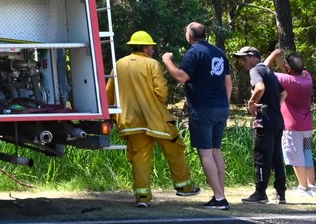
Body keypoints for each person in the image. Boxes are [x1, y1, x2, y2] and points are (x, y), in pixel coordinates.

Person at [112, 31, 199, 207]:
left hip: (130, 120)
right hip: (156, 119)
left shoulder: (119, 64)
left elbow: (109, 90)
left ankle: (142, 198)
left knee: (140, 157)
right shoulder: (152, 64)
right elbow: (161, 92)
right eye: (151, 47)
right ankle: (184, 187)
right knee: (175, 149)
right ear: (144, 48)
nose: (153, 50)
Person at [163, 22, 232, 209]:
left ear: (189, 36)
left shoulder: (194, 53)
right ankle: (221, 195)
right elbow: (228, 82)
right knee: (216, 151)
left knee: (206, 153)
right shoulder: (218, 52)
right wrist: (224, 103)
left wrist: (167, 60)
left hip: (203, 109)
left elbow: (181, 77)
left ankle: (219, 198)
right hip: (221, 108)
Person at [235, 46, 286, 204]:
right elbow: (284, 93)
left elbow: (260, 87)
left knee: (262, 156)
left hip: (264, 121)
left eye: (244, 58)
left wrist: (252, 103)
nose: (242, 62)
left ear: (253, 57)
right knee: (277, 157)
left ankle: (260, 193)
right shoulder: (268, 71)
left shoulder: (256, 70)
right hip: (277, 120)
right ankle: (281, 193)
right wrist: (273, 106)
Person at [268, 47, 316, 196]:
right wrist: (281, 60)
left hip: (292, 127)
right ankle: (312, 185)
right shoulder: (306, 77)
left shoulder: (288, 80)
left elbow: (263, 69)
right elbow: (289, 70)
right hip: (307, 126)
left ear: (289, 68)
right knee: (307, 154)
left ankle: (303, 188)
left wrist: (274, 55)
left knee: (296, 157)